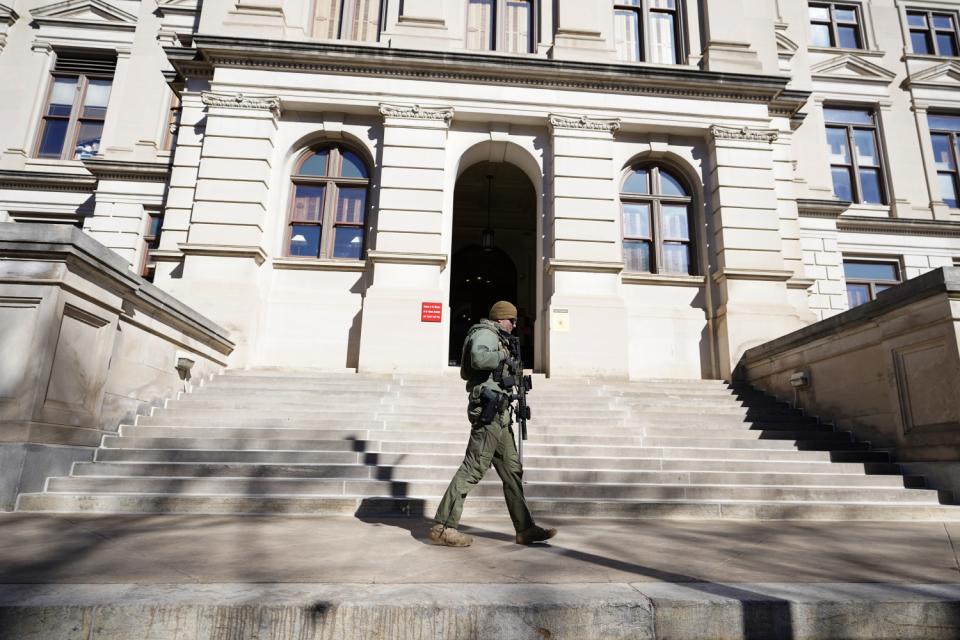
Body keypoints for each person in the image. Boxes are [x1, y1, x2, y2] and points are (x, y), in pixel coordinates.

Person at [429, 300, 557, 547]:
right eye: (512, 320)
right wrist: (502, 354)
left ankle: (525, 528)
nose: (514, 325)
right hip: (489, 412)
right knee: (474, 467)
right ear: (501, 319)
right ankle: (443, 526)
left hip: (501, 413)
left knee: (512, 470)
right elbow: (479, 359)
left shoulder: (498, 336)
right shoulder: (486, 333)